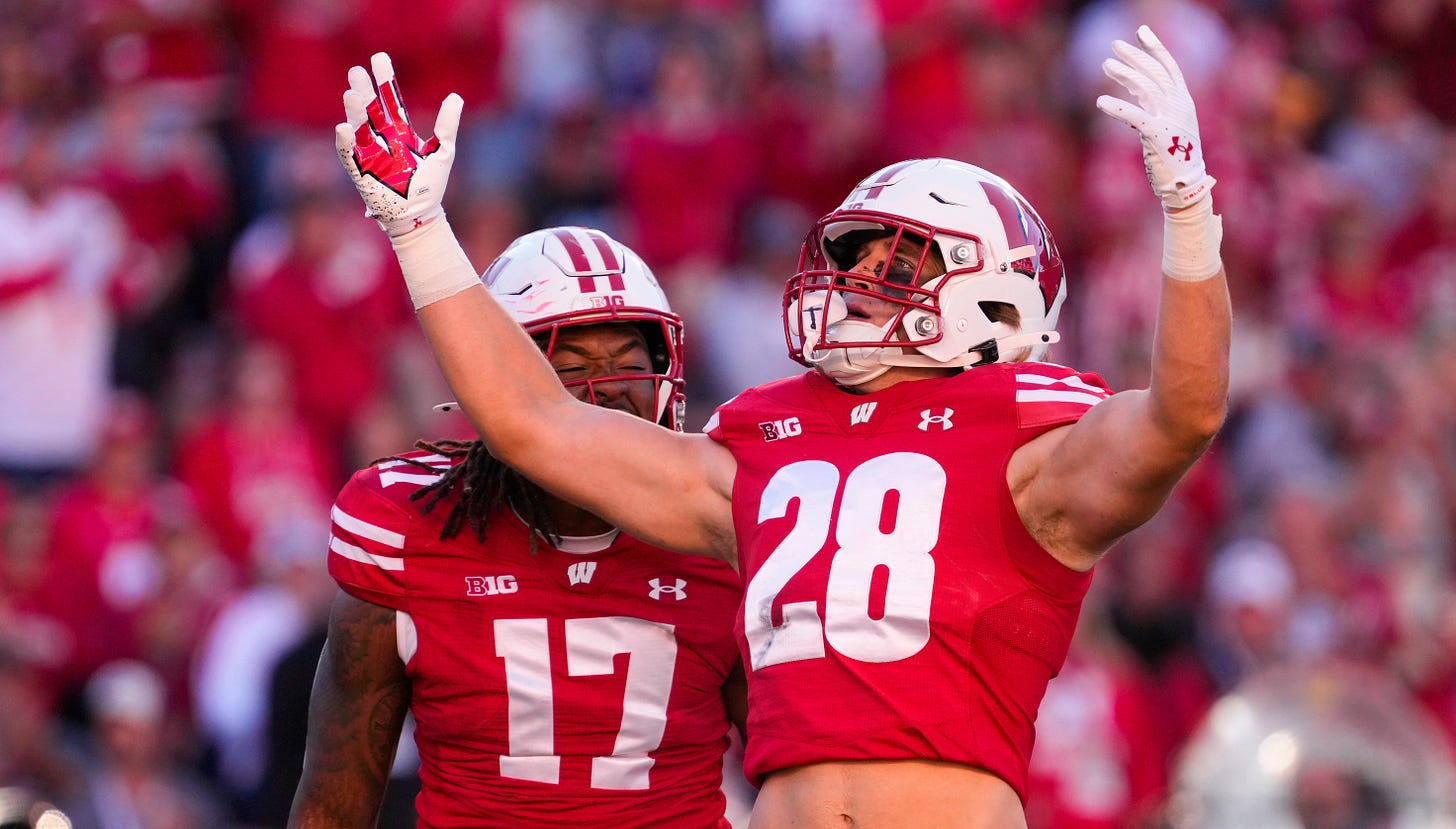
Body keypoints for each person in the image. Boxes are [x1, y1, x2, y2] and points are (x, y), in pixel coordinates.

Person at [332, 25, 1229, 827]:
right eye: (854, 257)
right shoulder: (769, 438)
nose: (854, 282)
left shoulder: (1030, 444)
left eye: (893, 260)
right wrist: (418, 229)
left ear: (990, 289)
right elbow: (535, 426)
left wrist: (1188, 214)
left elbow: (1183, 413)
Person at [287, 224, 746, 828]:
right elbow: (333, 804)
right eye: (571, 365)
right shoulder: (409, 528)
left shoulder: (728, 530)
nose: (606, 390)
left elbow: (797, 766)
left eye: (626, 363)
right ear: (497, 387)